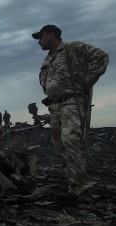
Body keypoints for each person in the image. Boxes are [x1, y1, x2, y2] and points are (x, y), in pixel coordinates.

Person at [32, 24, 109, 203]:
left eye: (41, 37)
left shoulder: (72, 48)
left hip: (71, 103)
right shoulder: (47, 59)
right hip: (55, 107)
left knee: (71, 141)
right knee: (61, 146)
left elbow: (101, 57)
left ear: (51, 34)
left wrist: (86, 82)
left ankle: (83, 189)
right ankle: (73, 186)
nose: (39, 42)